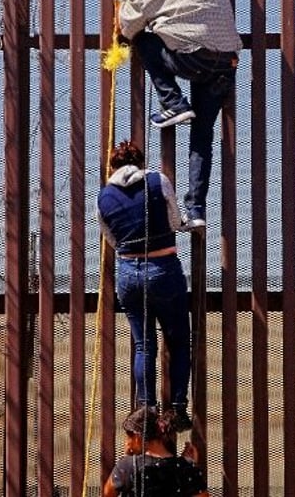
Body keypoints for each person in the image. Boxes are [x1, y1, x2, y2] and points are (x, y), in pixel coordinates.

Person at [115, 0, 243, 230]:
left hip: (191, 56)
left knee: (145, 40)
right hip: (225, 62)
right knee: (202, 137)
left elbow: (125, 28)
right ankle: (195, 210)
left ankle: (174, 103)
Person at [97, 139, 193, 431]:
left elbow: (111, 240)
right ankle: (176, 410)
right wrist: (189, 221)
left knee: (144, 345)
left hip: (128, 274)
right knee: (178, 342)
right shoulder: (156, 181)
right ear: (139, 163)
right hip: (163, 269)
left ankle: (147, 409)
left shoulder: (104, 196)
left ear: (113, 167)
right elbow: (177, 221)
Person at [102, 405, 209, 497]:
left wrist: (127, 458)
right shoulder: (186, 467)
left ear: (137, 437)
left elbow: (108, 494)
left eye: (128, 437)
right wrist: (189, 465)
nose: (126, 443)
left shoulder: (127, 466)